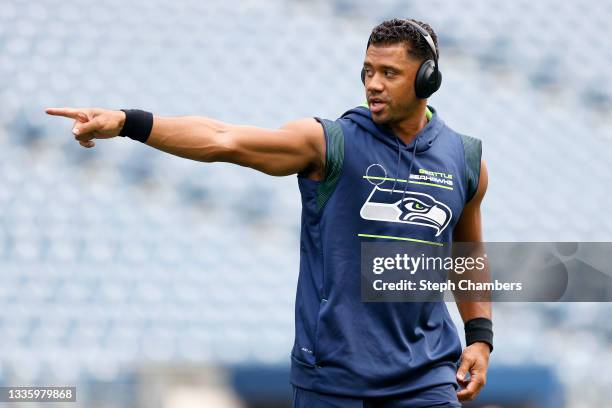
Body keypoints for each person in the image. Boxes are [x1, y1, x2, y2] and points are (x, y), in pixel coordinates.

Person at [46, 18, 492, 408]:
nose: (373, 83)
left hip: (426, 377)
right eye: (368, 71)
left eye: (389, 73)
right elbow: (225, 139)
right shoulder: (328, 141)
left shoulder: (465, 159)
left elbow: (467, 254)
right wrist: (128, 122)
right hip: (333, 380)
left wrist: (479, 336)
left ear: (427, 79)